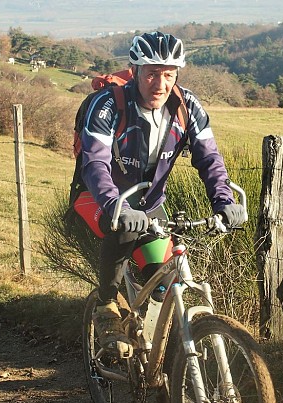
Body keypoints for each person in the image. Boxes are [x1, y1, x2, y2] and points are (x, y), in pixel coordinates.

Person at [73, 31, 246, 358]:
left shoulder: (186, 106)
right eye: (152, 73)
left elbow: (209, 157)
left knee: (165, 286)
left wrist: (224, 201)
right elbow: (94, 162)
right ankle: (107, 305)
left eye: (169, 75)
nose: (160, 83)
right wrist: (117, 207)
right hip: (97, 198)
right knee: (122, 227)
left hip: (150, 206)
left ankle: (153, 359)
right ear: (134, 70)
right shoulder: (108, 104)